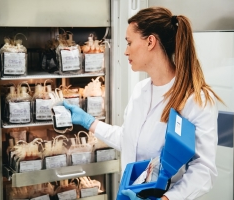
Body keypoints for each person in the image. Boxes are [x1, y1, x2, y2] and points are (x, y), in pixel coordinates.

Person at [63, 6, 223, 200]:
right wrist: (90, 122)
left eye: (129, 43)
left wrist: (166, 199)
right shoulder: (141, 90)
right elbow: (129, 141)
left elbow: (203, 171)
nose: (126, 51)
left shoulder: (196, 99)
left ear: (150, 41)